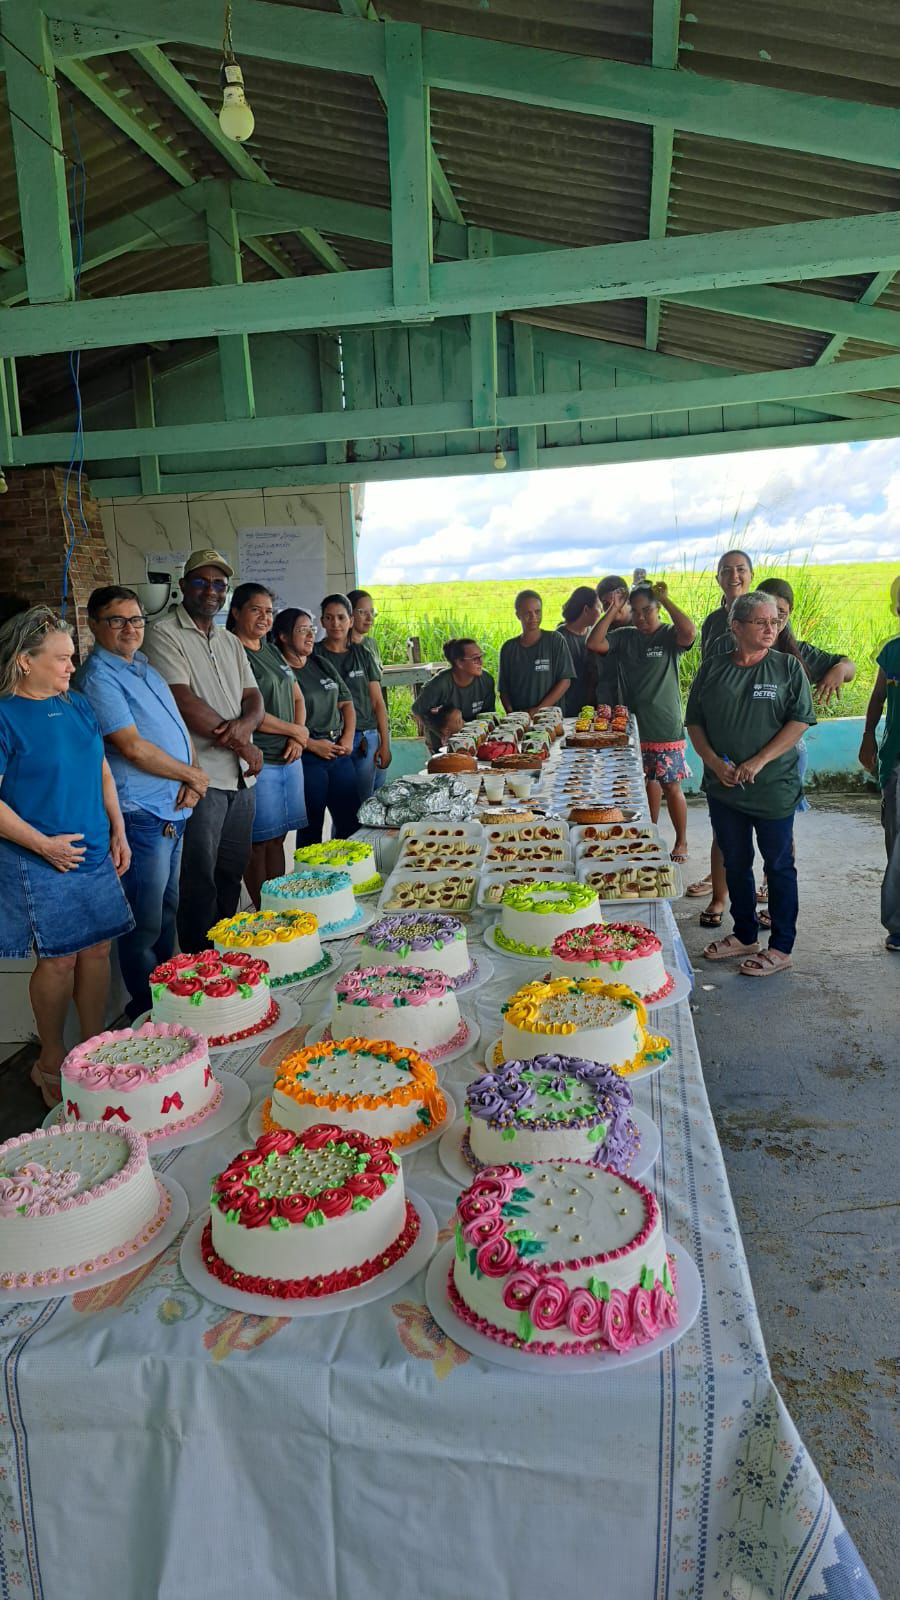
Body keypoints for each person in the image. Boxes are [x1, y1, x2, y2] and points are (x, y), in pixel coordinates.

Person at [0, 607, 133, 1106]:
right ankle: (51, 1061)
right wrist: (43, 845)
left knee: (97, 949)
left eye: (72, 658)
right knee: (58, 961)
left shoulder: (76, 704)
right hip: (41, 859)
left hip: (95, 849)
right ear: (24, 663)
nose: (71, 667)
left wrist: (118, 830)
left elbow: (100, 770)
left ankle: (94, 1045)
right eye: (61, 659)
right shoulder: (5, 715)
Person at [75, 585, 208, 1020]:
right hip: (142, 815)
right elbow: (131, 747)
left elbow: (175, 726)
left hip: (174, 805)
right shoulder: (98, 677)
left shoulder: (144, 665)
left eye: (136, 619)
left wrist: (191, 775)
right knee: (144, 924)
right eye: (117, 621)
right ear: (95, 625)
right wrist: (189, 774)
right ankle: (148, 1012)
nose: (130, 628)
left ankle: (170, 1003)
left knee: (167, 915)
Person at [685, 590, 816, 978]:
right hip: (724, 787)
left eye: (776, 621)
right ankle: (744, 934)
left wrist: (759, 760)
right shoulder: (712, 668)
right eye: (761, 622)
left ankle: (781, 947)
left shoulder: (787, 668)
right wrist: (712, 762)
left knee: (778, 865)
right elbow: (695, 722)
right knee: (735, 860)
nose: (771, 629)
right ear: (736, 627)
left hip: (772, 787)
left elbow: (799, 721)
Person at [143, 549, 263, 953]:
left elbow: (254, 698)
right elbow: (181, 699)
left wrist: (244, 735)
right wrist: (244, 743)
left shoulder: (229, 640)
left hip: (240, 777)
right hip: (201, 777)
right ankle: (199, 962)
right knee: (199, 878)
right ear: (182, 587)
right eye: (201, 582)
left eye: (218, 585)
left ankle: (229, 954)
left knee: (231, 870)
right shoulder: (162, 634)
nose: (210, 591)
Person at [587, 581, 695, 860]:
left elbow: (689, 632)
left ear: (658, 609)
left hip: (665, 727)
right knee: (645, 785)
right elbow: (594, 643)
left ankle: (681, 842)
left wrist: (667, 599)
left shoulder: (669, 635)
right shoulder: (625, 637)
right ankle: (649, 834)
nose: (642, 617)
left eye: (647, 610)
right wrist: (613, 608)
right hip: (634, 729)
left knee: (671, 786)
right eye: (635, 612)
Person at [226, 582, 309, 906]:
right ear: (236, 612)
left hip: (289, 756)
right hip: (259, 759)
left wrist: (298, 736)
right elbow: (246, 712)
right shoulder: (233, 651)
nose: (264, 617)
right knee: (257, 842)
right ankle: (264, 910)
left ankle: (281, 903)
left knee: (279, 838)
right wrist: (295, 731)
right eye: (255, 610)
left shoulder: (271, 649)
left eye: (269, 612)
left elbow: (296, 695)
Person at [687, 549, 756, 926]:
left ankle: (768, 891)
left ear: (751, 575)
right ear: (717, 578)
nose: (734, 576)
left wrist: (840, 666)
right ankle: (720, 895)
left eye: (741, 569)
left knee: (776, 827)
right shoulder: (714, 622)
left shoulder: (768, 614)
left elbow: (797, 660)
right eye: (726, 570)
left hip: (764, 738)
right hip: (722, 738)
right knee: (723, 824)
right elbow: (705, 681)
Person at [271, 608, 360, 844]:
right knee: (311, 828)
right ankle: (312, 880)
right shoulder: (279, 672)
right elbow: (275, 720)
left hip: (338, 751)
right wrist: (312, 745)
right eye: (303, 630)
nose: (311, 635)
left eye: (312, 629)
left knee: (351, 823)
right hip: (308, 757)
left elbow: (347, 704)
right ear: (283, 636)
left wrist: (348, 738)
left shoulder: (320, 663)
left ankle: (349, 876)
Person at [314, 593, 391, 802]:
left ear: (350, 620)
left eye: (341, 617)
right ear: (322, 622)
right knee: (348, 806)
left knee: (372, 801)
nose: (335, 624)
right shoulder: (314, 655)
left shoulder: (362, 654)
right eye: (329, 618)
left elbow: (377, 701)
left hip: (368, 735)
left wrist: (385, 742)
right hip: (336, 740)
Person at [858, 575, 900, 952]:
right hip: (896, 761)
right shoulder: (892, 652)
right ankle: (899, 926)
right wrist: (868, 736)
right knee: (897, 843)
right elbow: (877, 698)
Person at [411, 638, 496, 752]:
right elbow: (417, 710)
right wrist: (441, 733)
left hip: (475, 739)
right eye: (475, 658)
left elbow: (488, 716)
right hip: (443, 743)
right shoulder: (439, 684)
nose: (481, 662)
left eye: (481, 657)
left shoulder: (486, 681)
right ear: (459, 662)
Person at [497, 590, 573, 715]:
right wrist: (513, 714)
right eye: (527, 613)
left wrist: (537, 711)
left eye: (537, 612)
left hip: (551, 717)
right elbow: (503, 690)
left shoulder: (555, 640)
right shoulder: (508, 648)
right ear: (518, 615)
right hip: (521, 719)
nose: (533, 617)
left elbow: (565, 681)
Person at [557, 587, 601, 717]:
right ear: (586, 610)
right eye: (599, 607)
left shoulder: (594, 635)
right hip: (567, 709)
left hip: (590, 708)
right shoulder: (559, 637)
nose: (601, 612)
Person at [587, 576, 631, 708]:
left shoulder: (642, 627)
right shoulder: (600, 632)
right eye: (607, 604)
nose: (613, 607)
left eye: (616, 601)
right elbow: (593, 674)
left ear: (627, 599)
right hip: (608, 705)